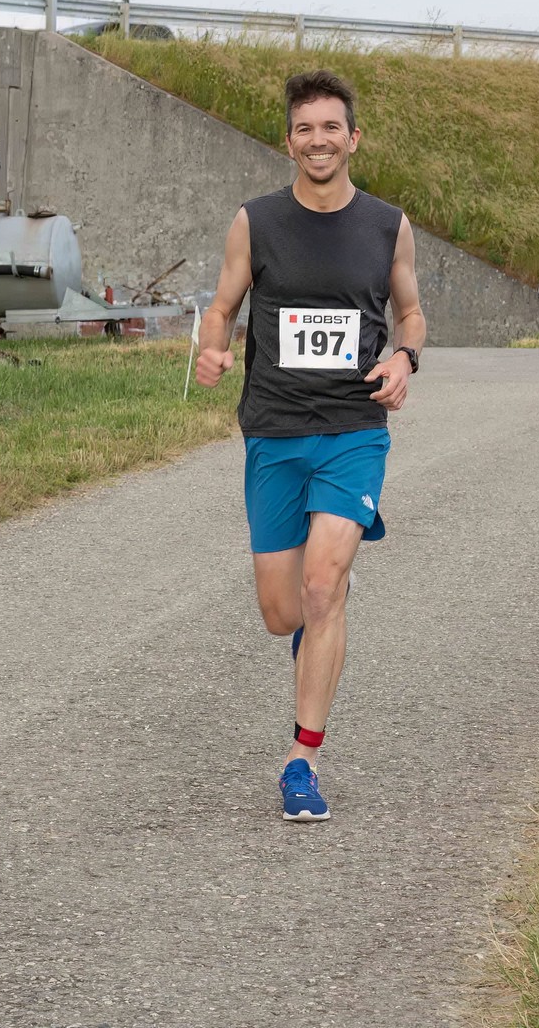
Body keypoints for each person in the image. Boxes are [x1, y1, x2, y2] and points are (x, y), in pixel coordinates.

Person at [193, 69, 426, 823]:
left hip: (354, 428)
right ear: (288, 141)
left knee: (322, 588)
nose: (318, 140)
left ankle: (303, 761)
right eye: (305, 129)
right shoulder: (255, 222)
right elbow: (222, 306)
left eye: (331, 128)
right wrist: (212, 347)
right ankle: (323, 607)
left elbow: (411, 312)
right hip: (274, 428)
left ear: (353, 138)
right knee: (282, 612)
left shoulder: (387, 225)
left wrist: (404, 358)